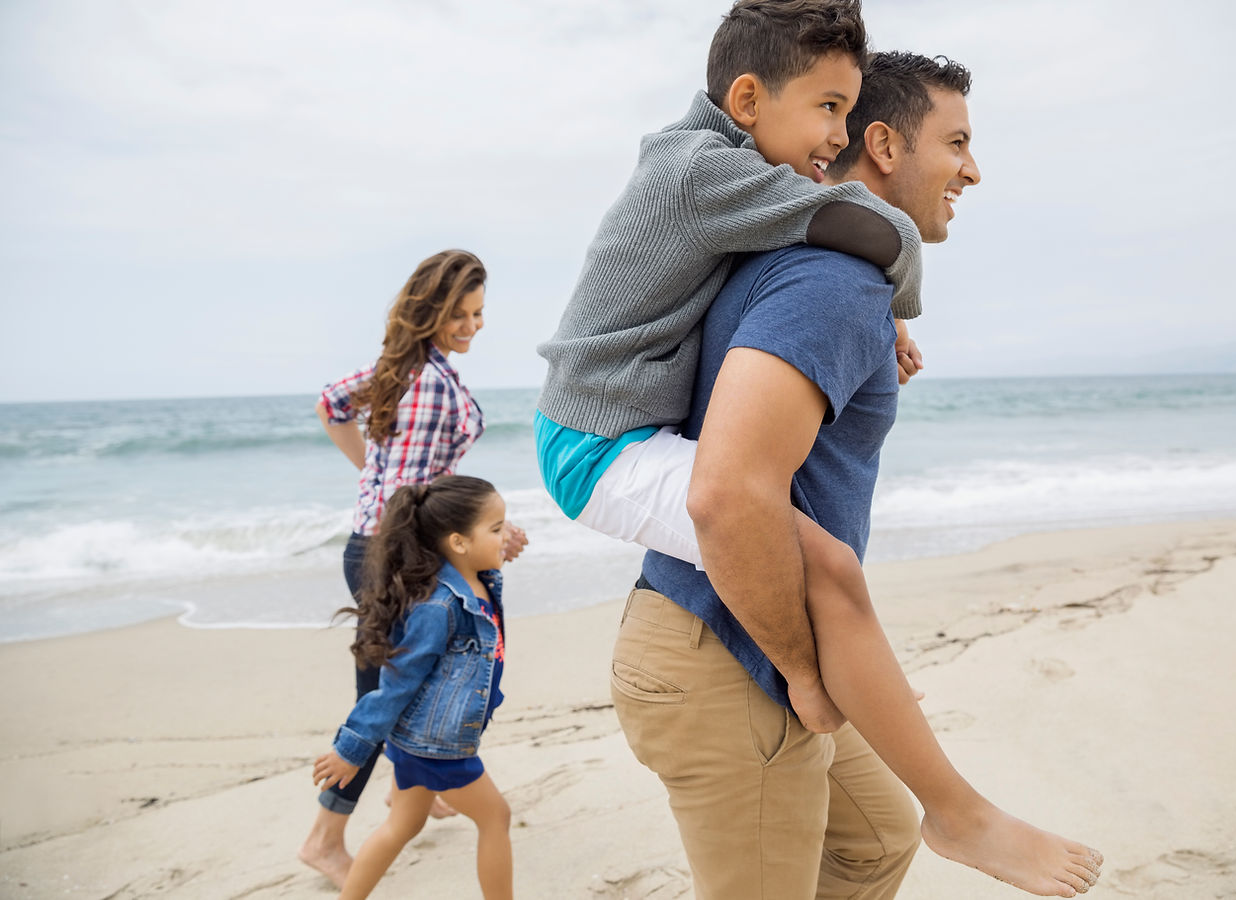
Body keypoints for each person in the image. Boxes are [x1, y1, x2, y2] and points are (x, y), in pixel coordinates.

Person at [610, 50, 1103, 898]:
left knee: (875, 840)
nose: (973, 170)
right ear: (881, 143)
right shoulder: (832, 283)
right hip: (729, 649)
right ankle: (964, 815)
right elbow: (727, 495)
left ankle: (950, 814)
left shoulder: (812, 265)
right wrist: (799, 665)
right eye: (956, 143)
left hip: (721, 632)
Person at [535, 0, 924, 572]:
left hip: (607, 432)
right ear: (747, 102)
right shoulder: (702, 171)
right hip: (594, 448)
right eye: (830, 107)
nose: (844, 136)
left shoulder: (717, 166)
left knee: (813, 547)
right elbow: (878, 228)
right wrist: (900, 298)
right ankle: (805, 668)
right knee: (812, 565)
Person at [299, 249, 527, 888]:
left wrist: (374, 483)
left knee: (403, 681)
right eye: (460, 314)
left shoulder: (404, 366)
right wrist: (464, 532)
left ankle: (419, 785)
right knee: (389, 688)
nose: (473, 325)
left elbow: (331, 406)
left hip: (377, 541)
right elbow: (418, 484)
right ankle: (326, 836)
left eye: (479, 314)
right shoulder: (426, 382)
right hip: (392, 554)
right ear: (430, 311)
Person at [313, 475, 513, 900]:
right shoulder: (438, 606)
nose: (506, 535)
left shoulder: (478, 579)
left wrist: (500, 541)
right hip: (437, 747)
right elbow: (396, 685)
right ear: (458, 542)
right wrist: (352, 748)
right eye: (497, 529)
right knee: (496, 817)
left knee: (402, 826)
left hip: (418, 740)